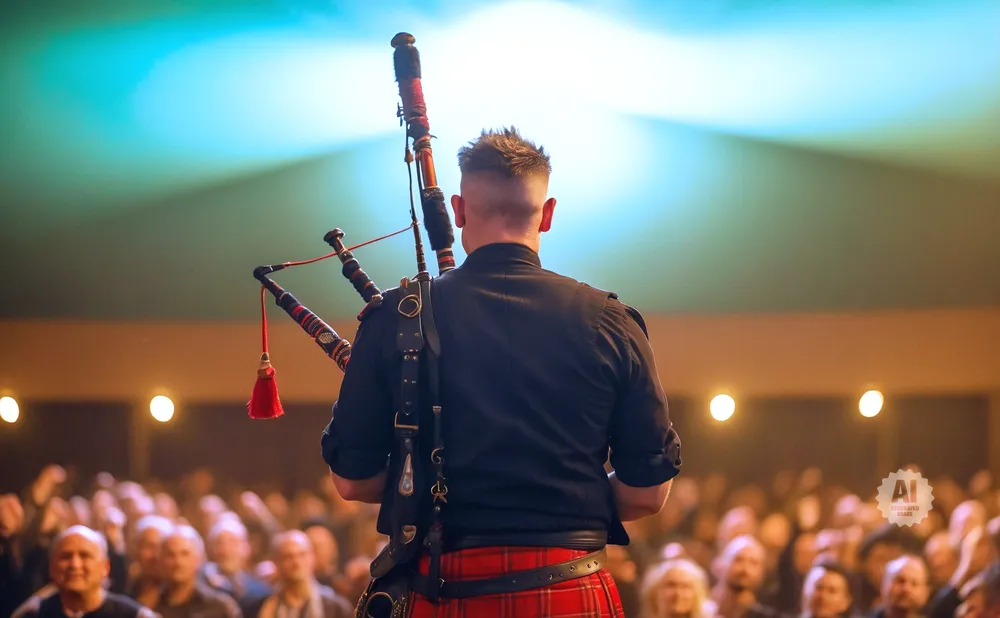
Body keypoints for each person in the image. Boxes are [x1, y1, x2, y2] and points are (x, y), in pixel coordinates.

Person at [321, 126, 681, 616]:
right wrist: (564, 501)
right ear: (548, 214)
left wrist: (425, 494)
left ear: (459, 209)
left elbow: (352, 483)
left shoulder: (394, 317)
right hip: (569, 592)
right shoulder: (610, 322)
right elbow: (647, 494)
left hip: (442, 592)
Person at [11, 525, 155, 618]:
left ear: (105, 567)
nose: (74, 564)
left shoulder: (134, 616)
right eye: (65, 556)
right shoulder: (33, 614)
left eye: (84, 556)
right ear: (51, 568)